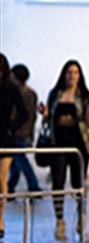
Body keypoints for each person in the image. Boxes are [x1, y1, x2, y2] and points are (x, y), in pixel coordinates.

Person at [40, 60, 89, 240]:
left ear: (80, 76)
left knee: (78, 183)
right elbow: (49, 120)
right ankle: (59, 220)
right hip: (58, 145)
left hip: (79, 147)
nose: (72, 76)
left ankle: (81, 215)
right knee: (58, 183)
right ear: (64, 75)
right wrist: (46, 114)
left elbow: (88, 124)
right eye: (69, 72)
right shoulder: (55, 94)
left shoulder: (85, 96)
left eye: (75, 73)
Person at [0, 54, 28, 239]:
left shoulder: (10, 88)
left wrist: (12, 127)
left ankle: (0, 220)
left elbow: (24, 113)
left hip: (4, 136)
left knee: (1, 178)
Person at [6, 64, 41, 196]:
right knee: (15, 162)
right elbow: (32, 115)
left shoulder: (15, 92)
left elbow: (14, 113)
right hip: (26, 132)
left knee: (21, 161)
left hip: (16, 132)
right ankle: (10, 186)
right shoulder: (32, 93)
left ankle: (34, 186)